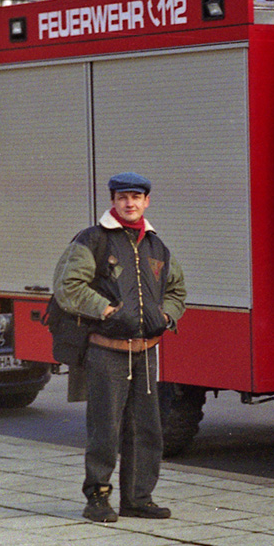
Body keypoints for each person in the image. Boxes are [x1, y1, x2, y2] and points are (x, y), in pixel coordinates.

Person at [53, 172, 186, 523]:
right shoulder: (92, 239)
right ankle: (97, 498)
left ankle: (138, 499)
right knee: (105, 428)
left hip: (145, 351)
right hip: (106, 351)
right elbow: (68, 286)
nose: (130, 203)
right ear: (112, 200)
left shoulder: (157, 246)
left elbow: (177, 291)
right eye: (123, 197)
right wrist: (108, 310)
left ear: (146, 202)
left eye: (136, 197)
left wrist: (166, 315)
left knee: (147, 428)